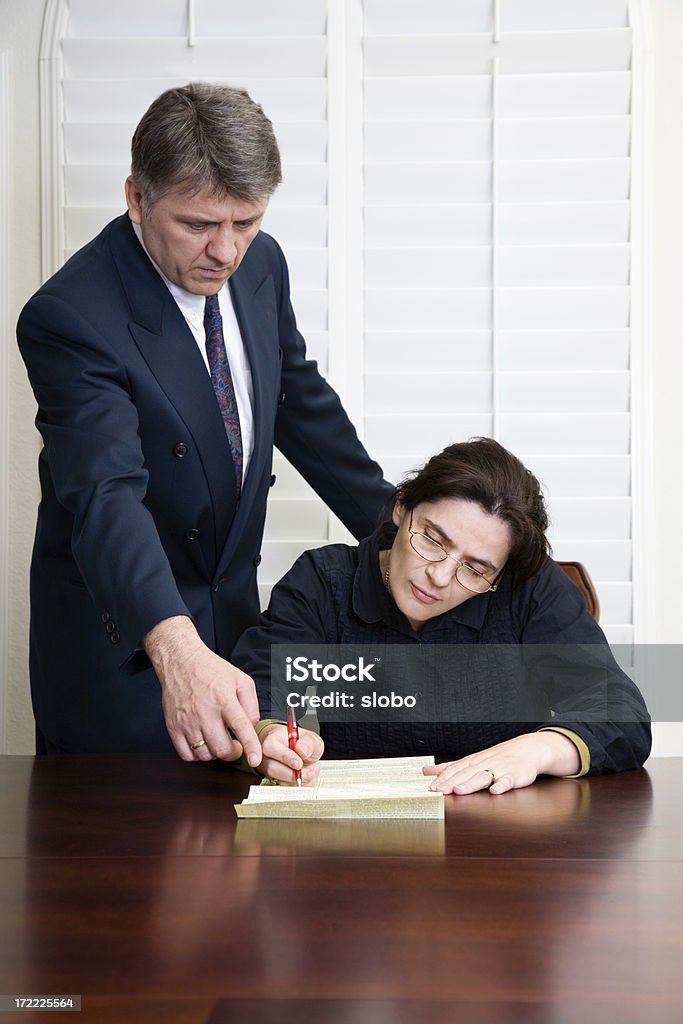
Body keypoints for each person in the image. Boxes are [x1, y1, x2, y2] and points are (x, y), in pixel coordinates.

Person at [17, 82, 391, 759]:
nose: (224, 251)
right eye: (197, 225)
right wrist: (175, 648)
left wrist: (411, 536)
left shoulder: (262, 265)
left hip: (238, 630)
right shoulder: (70, 317)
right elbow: (105, 494)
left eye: (245, 222)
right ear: (137, 197)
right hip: (129, 652)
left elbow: (299, 405)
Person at [231, 438, 651, 794]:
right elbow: (259, 691)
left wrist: (536, 749)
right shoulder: (323, 581)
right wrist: (271, 737)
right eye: (432, 540)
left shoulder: (530, 587)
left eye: (475, 569)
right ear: (400, 508)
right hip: (356, 851)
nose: (439, 576)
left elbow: (621, 710)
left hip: (500, 847)